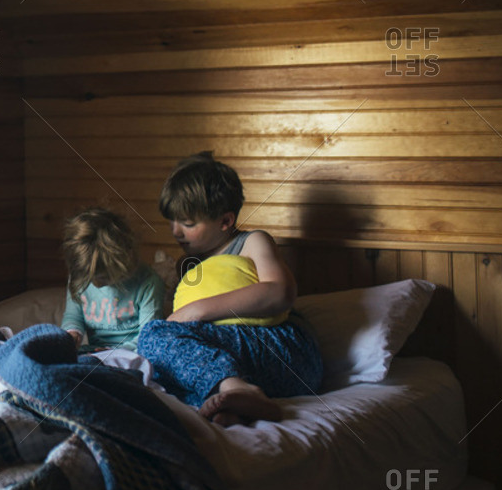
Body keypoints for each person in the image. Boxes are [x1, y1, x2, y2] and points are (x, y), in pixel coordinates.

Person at [136, 151, 324, 427]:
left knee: (153, 334)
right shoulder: (189, 266)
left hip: (284, 354)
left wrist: (197, 310)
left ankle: (236, 388)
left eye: (188, 223)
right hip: (240, 361)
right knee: (159, 364)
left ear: (225, 221)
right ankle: (234, 405)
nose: (176, 231)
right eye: (172, 221)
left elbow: (280, 292)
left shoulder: (252, 242)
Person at [59, 208, 166, 353]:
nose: (96, 284)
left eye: (104, 277)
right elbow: (73, 315)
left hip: (133, 353)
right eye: (91, 279)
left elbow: (149, 336)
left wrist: (115, 353)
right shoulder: (81, 275)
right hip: (93, 352)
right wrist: (73, 333)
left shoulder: (148, 282)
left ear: (124, 261)